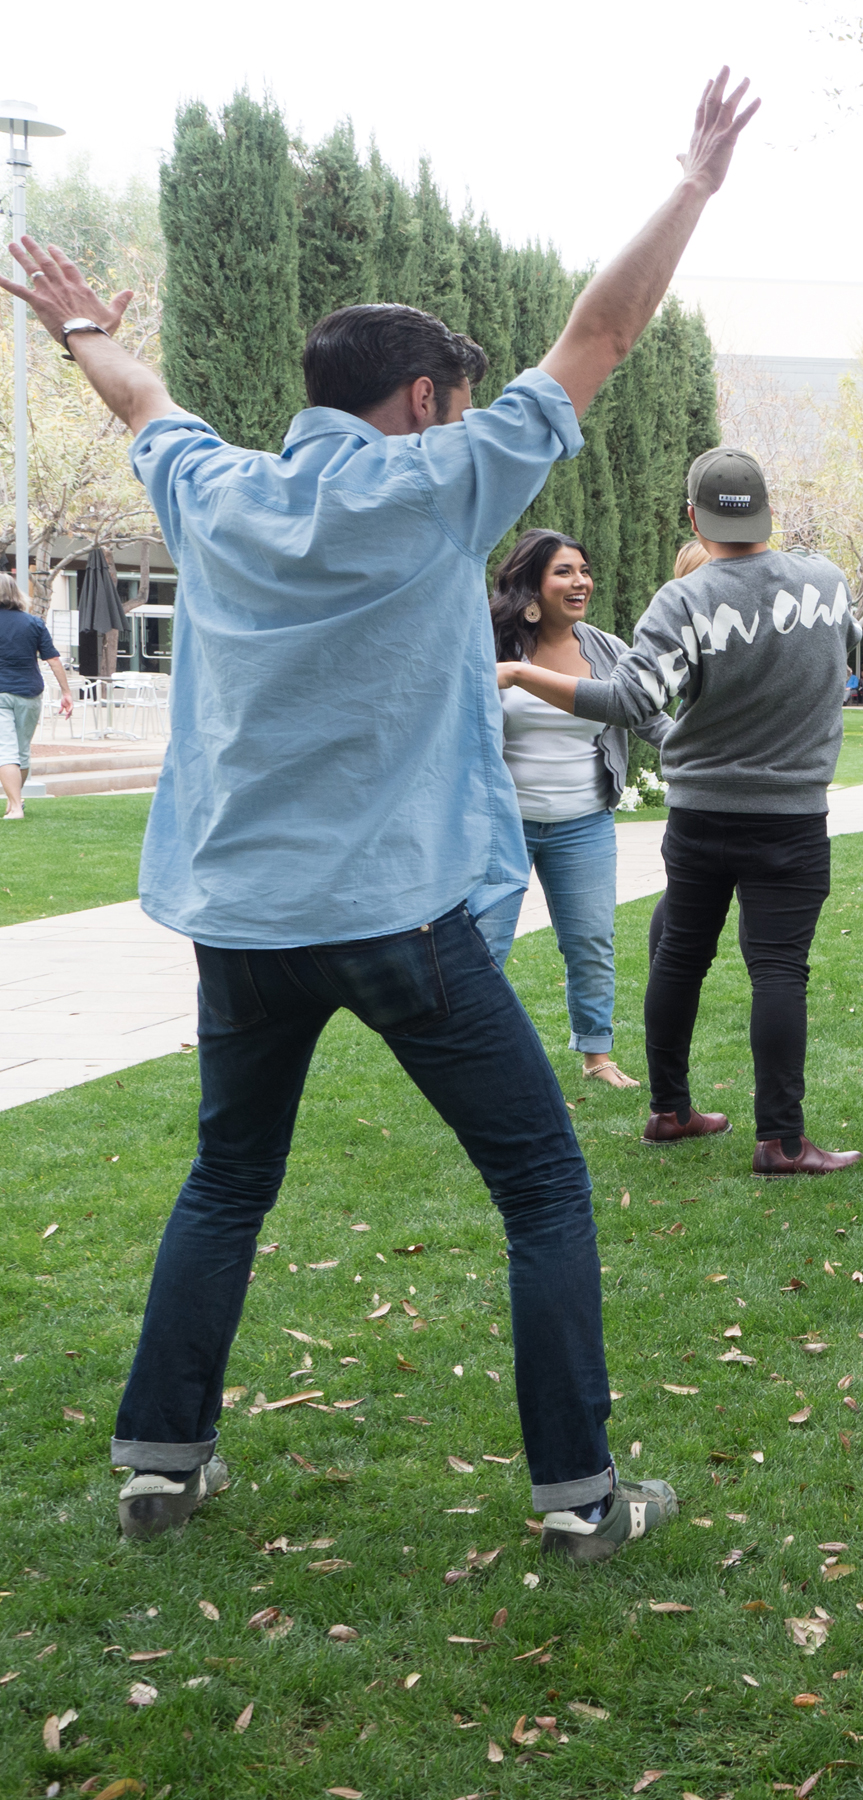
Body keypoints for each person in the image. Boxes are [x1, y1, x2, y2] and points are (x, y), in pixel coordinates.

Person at [5, 69, 761, 1557]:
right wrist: (694, 183)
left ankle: (162, 1459)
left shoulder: (216, 492)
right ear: (423, 402)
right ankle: (580, 1499)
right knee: (543, 1181)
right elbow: (602, 336)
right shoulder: (441, 480)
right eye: (458, 398)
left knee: (228, 1177)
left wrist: (80, 324)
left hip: (248, 922)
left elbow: (144, 398)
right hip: (402, 920)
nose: (471, 416)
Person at [501, 444, 862, 1180]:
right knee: (779, 970)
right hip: (791, 815)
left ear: (695, 520)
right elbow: (844, 665)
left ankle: (670, 1110)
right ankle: (783, 1143)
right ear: (769, 511)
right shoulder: (828, 581)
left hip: (699, 814)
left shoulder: (685, 599)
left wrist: (517, 672)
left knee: (681, 956)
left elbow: (632, 702)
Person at [472, 529, 665, 1090]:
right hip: (501, 825)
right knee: (485, 944)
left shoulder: (604, 649)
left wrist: (706, 753)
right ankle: (481, 1055)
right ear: (532, 584)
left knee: (589, 941)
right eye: (564, 571)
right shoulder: (493, 644)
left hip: (583, 823)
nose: (580, 581)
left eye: (583, 569)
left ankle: (597, 1055)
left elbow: (646, 715)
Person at [0, 573, 77, 820]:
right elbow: (53, 659)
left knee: (5, 751)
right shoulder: (34, 623)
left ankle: (14, 806)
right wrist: (66, 692)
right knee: (21, 752)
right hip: (29, 692)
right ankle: (15, 802)